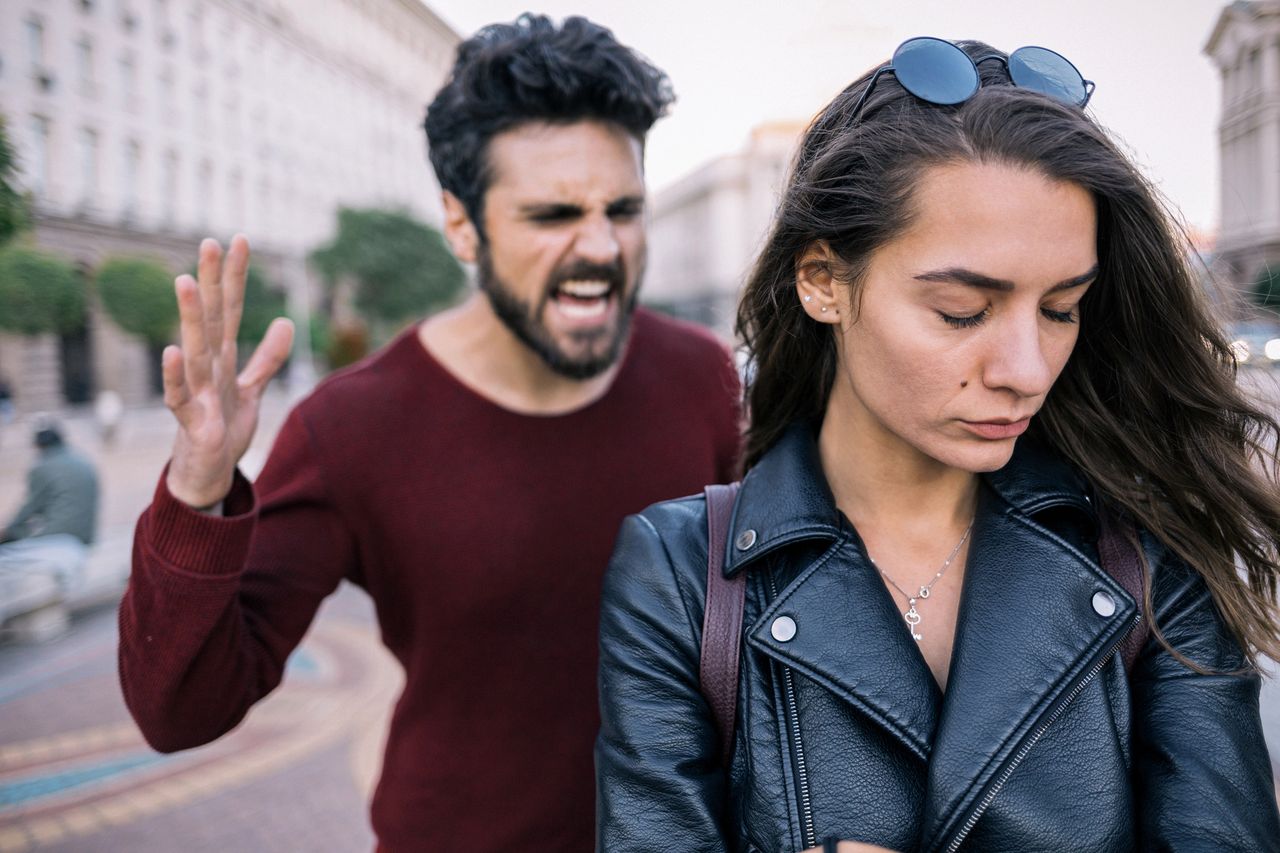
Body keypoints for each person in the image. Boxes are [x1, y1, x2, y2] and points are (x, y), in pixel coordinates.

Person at [596, 37, 1280, 852]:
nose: (1026, 369)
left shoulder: (1150, 558)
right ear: (822, 281)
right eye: (962, 310)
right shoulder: (681, 574)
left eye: (1061, 308)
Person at [117, 15, 740, 852]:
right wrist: (197, 488)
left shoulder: (704, 377)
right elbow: (179, 711)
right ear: (460, 222)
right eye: (553, 214)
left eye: (622, 209)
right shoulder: (350, 427)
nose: (601, 246)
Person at [1, 420, 99, 586]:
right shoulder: (82, 460)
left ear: (39, 446)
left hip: (60, 536)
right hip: (86, 536)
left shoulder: (42, 467)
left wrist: (7, 530)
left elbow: (30, 508)